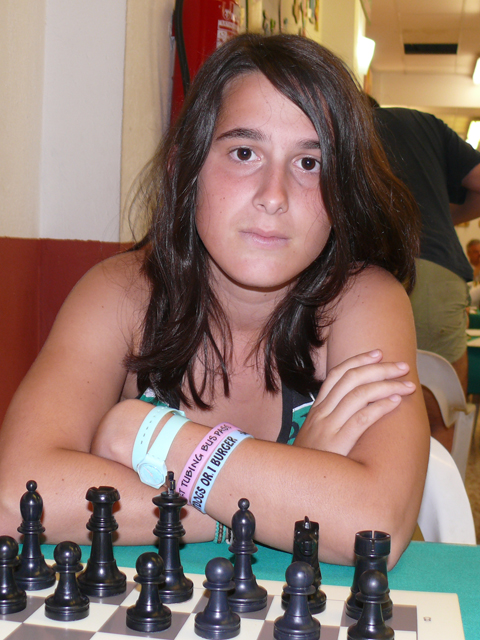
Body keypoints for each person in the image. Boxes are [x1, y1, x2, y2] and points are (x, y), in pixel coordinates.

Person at [0, 34, 429, 567]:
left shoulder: (365, 301)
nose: (273, 196)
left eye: (309, 163)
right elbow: (15, 492)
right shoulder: (121, 294)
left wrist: (153, 437)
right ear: (187, 168)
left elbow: (373, 526)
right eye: (244, 153)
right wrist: (267, 500)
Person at [373, 106, 480, 395]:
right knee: (439, 405)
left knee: (376, 403)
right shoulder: (422, 124)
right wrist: (441, 219)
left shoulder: (338, 127)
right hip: (430, 267)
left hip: (362, 272)